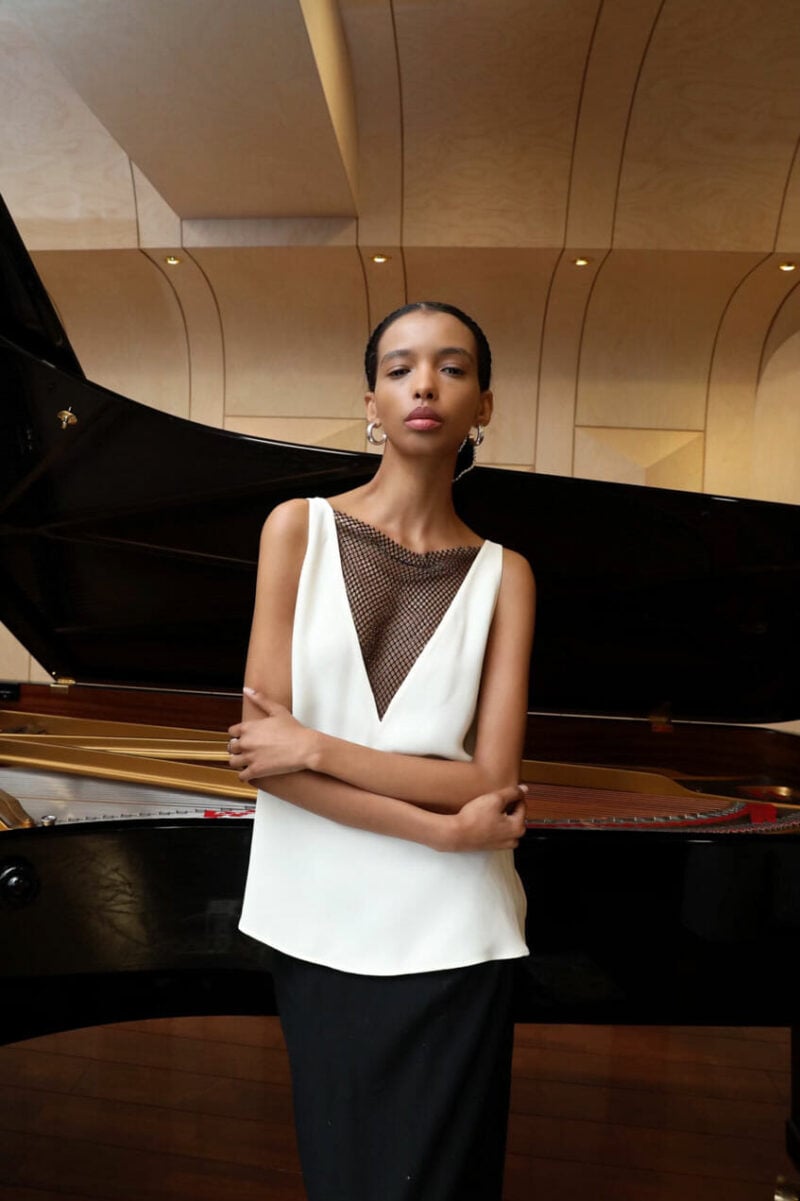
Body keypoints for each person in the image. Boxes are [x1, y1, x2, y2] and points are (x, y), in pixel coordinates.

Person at [227, 300, 536, 1201]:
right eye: (400, 369)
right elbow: (264, 760)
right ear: (372, 402)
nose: (424, 385)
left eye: (452, 367)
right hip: (318, 916)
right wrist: (442, 829)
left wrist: (314, 746)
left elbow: (489, 778)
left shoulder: (507, 574)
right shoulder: (296, 528)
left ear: (483, 405)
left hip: (457, 931)